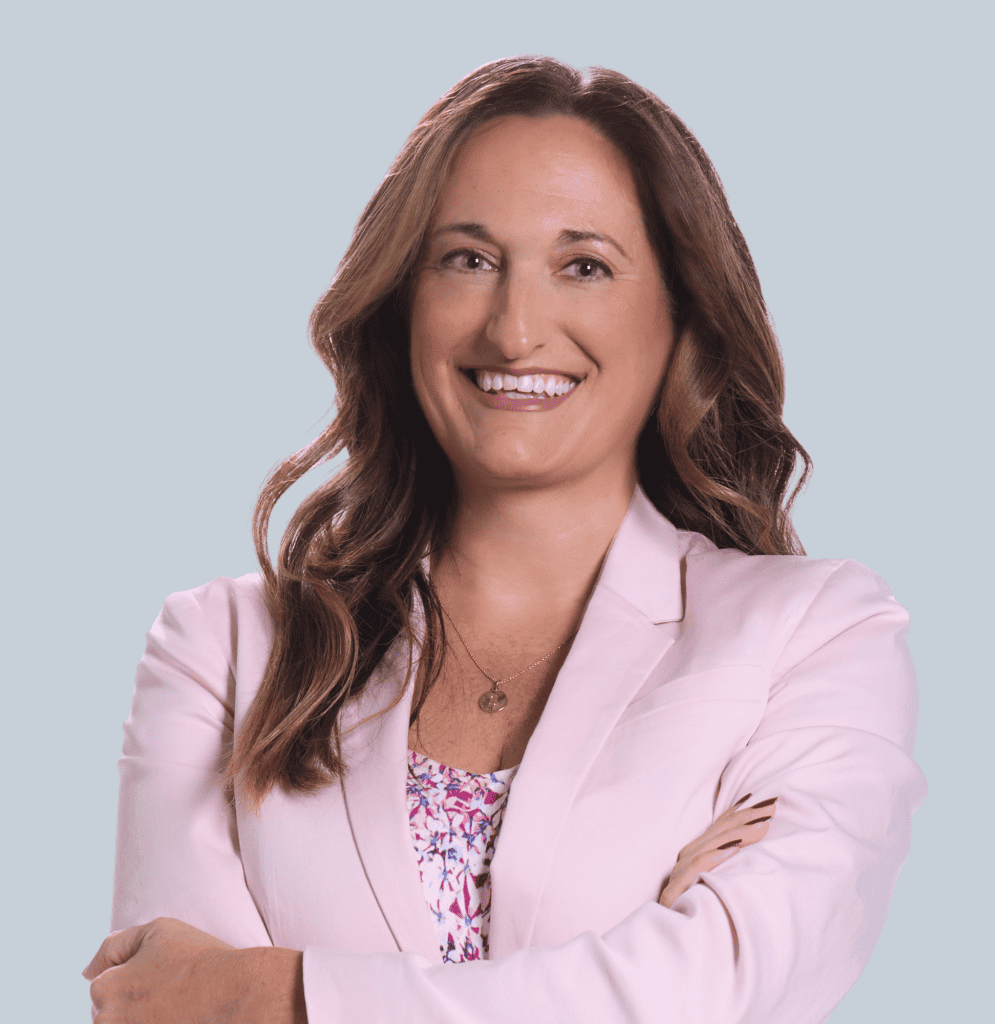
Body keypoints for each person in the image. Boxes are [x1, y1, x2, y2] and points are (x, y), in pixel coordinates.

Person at [83, 56, 927, 1023]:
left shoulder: (815, 636)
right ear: (405, 302)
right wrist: (632, 956)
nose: (517, 328)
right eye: (468, 259)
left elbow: (723, 982)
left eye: (585, 266)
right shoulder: (221, 652)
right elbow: (164, 1009)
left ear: (680, 315)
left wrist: (277, 993)